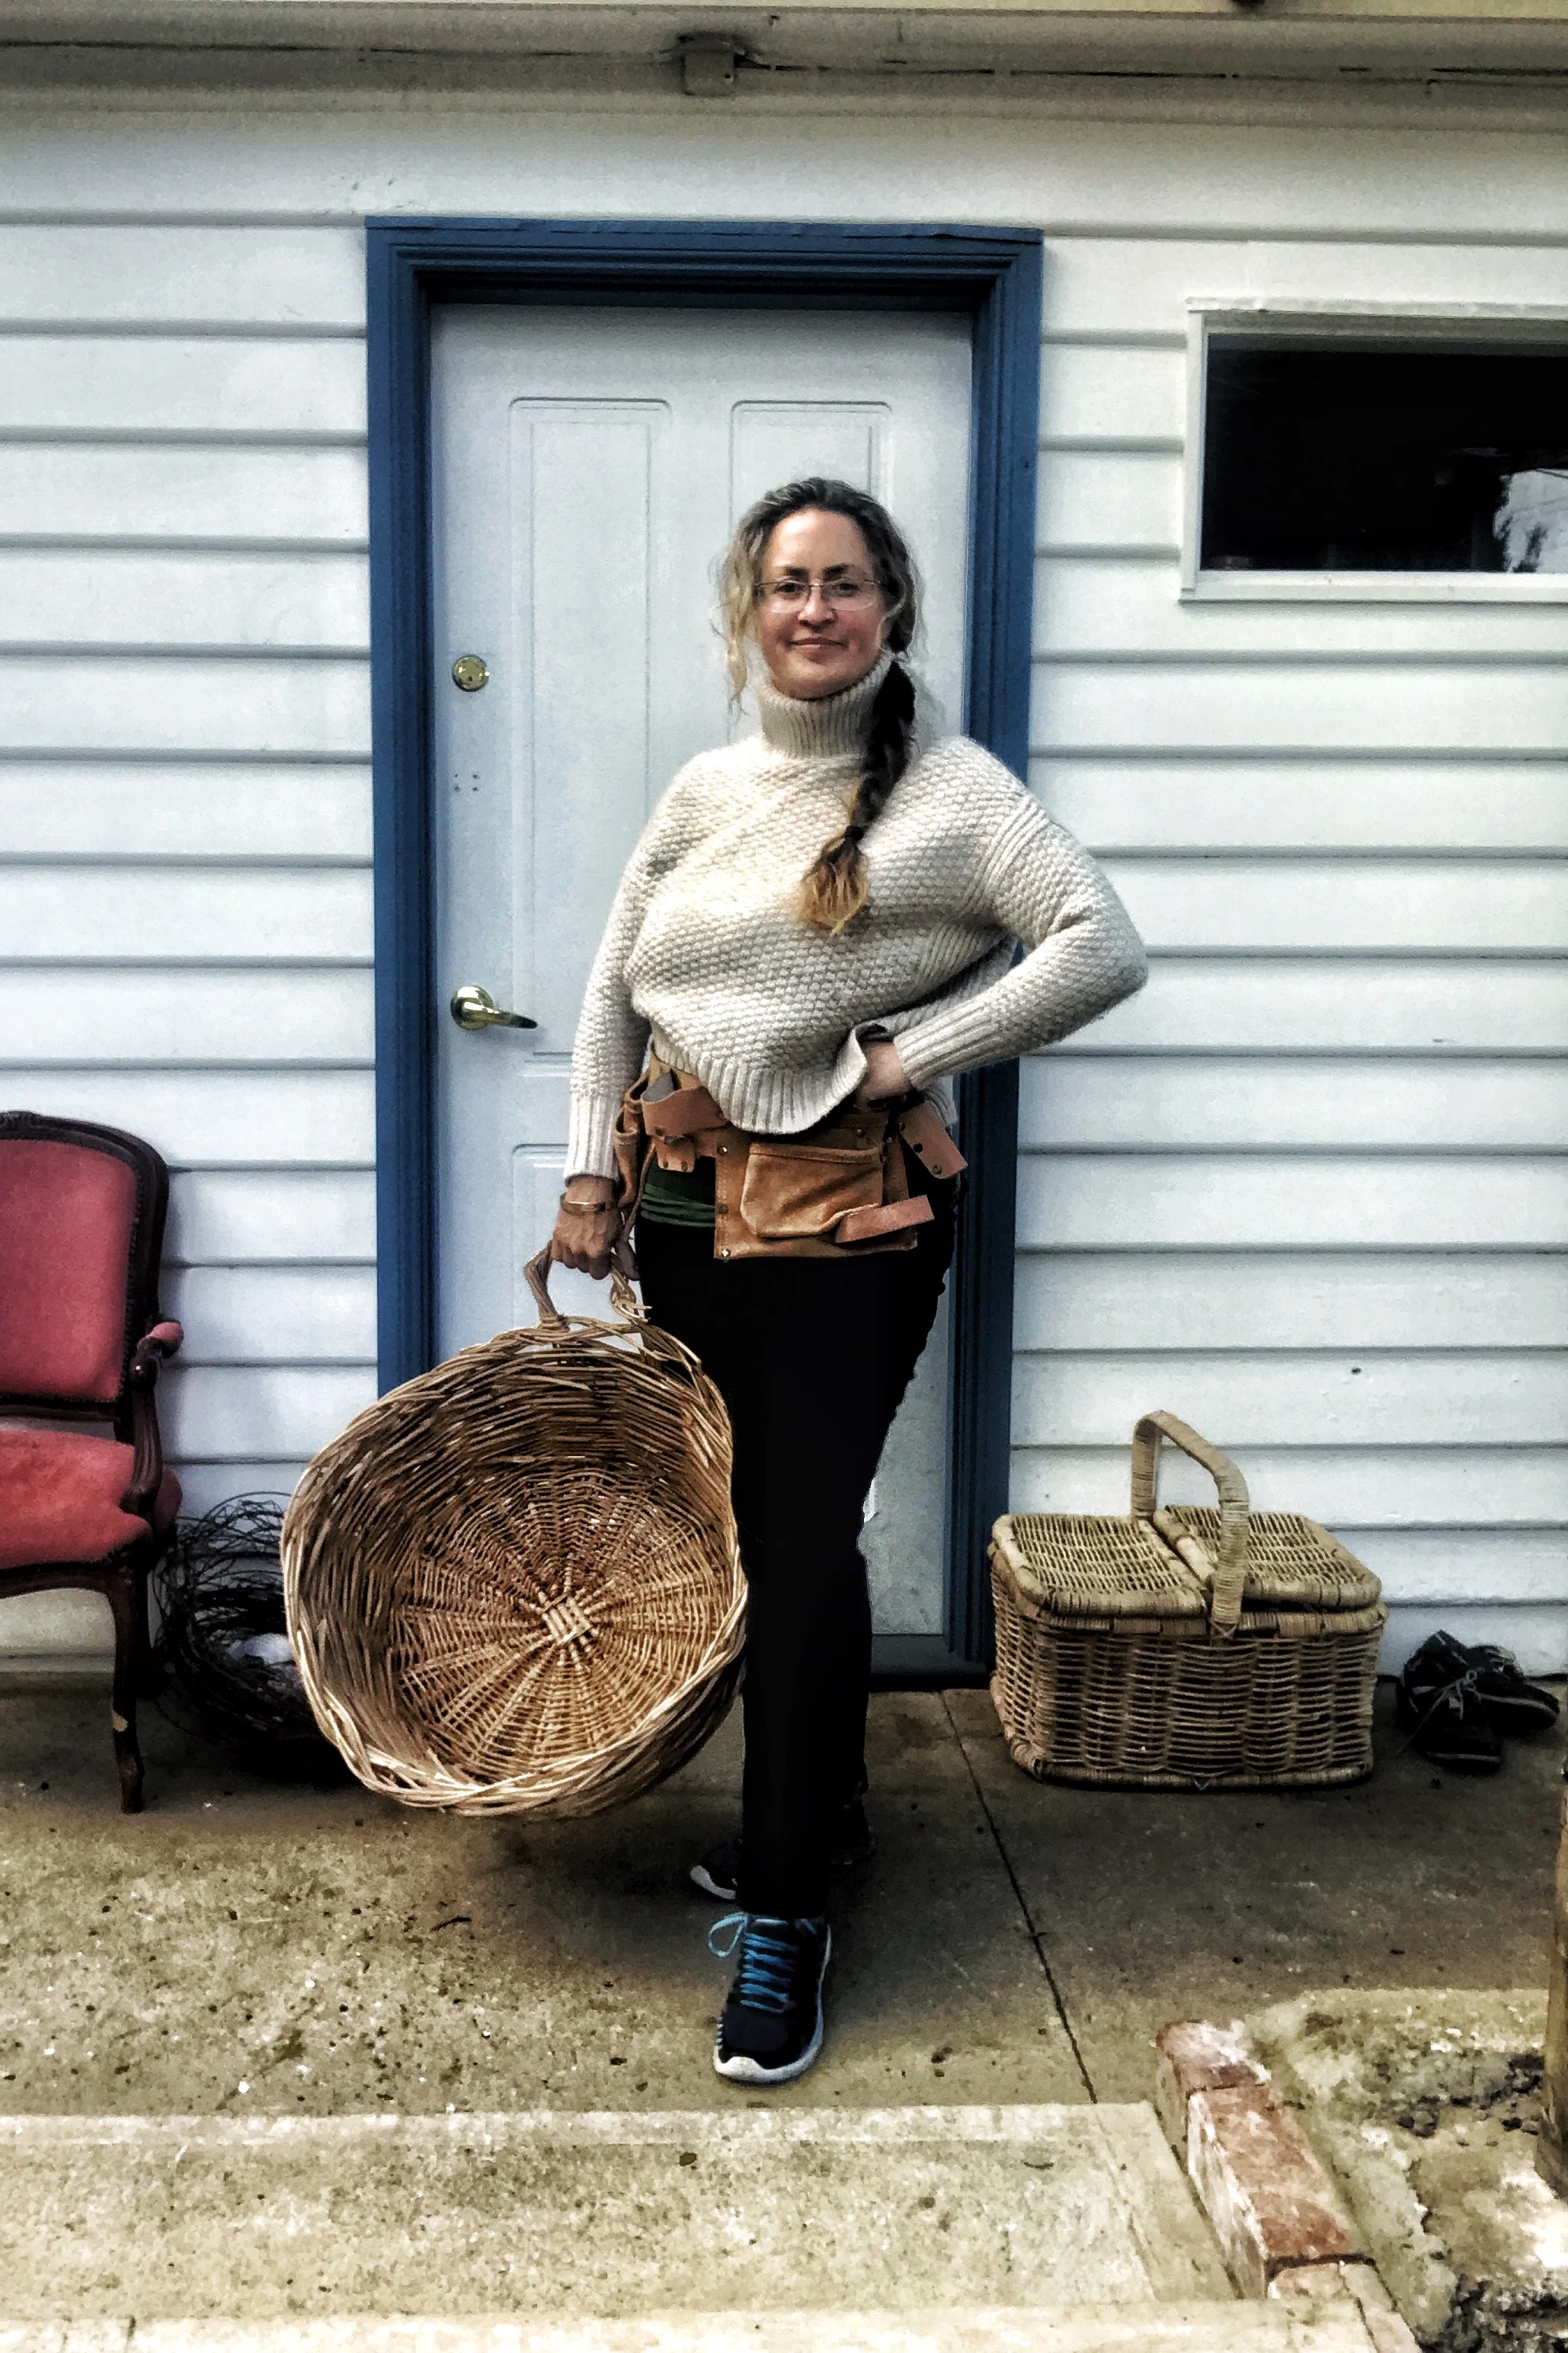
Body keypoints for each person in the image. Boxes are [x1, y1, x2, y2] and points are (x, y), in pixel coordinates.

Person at [551, 477, 1147, 2087]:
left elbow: (1096, 943)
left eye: (844, 583)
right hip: (680, 1209)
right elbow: (612, 991)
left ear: (892, 610)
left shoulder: (953, 795)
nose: (811, 610)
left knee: (797, 1535)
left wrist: (906, 1059)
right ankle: (816, 1808)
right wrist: (588, 1180)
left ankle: (786, 1907)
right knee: (768, 1531)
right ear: (746, 610)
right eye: (785, 583)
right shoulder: (702, 783)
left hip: (845, 1219)